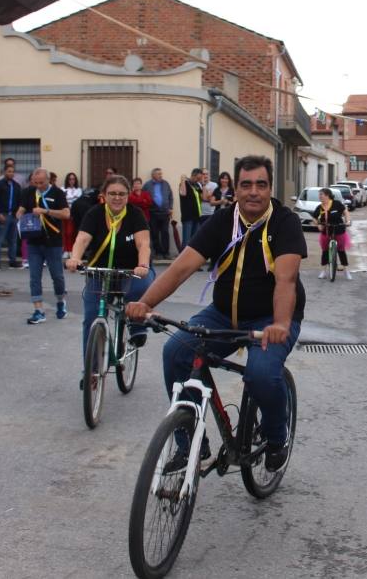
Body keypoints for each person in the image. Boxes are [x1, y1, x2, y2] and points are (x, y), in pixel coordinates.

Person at [127, 155, 307, 473]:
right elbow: (182, 267)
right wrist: (146, 302)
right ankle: (191, 445)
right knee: (176, 352)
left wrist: (280, 323)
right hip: (223, 314)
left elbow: (286, 280)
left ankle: (278, 436)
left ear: (270, 188)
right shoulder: (223, 221)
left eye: (261, 185)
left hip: (271, 319)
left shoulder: (284, 222)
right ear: (234, 188)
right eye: (246, 185)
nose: (253, 192)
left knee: (262, 375)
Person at [66, 175, 154, 358]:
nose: (117, 197)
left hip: (132, 271)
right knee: (91, 318)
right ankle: (91, 372)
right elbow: (82, 239)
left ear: (128, 195)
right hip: (100, 273)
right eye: (112, 193)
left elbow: (143, 244)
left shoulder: (135, 214)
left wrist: (143, 264)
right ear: (104, 195)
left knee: (140, 289)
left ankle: (137, 327)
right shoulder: (95, 213)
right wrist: (75, 258)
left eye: (122, 194)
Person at [16, 168, 70, 325]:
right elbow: (20, 210)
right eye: (35, 182)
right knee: (34, 277)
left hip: (53, 242)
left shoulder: (58, 193)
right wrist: (21, 216)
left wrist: (46, 211)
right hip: (34, 241)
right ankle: (38, 310)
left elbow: (66, 214)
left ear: (48, 180)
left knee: (57, 276)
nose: (38, 185)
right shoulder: (28, 192)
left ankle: (61, 300)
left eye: (41, 182)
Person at [315, 187, 353, 280]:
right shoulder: (320, 207)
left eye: (321, 194)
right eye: (319, 195)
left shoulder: (337, 204)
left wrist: (348, 221)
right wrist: (318, 225)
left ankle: (346, 271)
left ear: (327, 195)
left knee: (341, 250)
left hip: (338, 229)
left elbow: (345, 212)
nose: (319, 196)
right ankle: (323, 271)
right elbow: (314, 217)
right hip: (326, 231)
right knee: (325, 251)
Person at [0, 164, 22, 270]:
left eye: (12, 172)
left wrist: (18, 214)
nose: (11, 173)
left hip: (13, 216)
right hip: (3, 215)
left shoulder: (16, 186)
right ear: (4, 172)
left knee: (13, 240)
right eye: (9, 171)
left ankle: (12, 262)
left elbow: (19, 201)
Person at [143, 168, 174, 260]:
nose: (161, 175)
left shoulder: (166, 183)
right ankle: (158, 253)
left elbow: (170, 196)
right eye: (158, 174)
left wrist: (171, 207)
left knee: (165, 232)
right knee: (155, 233)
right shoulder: (147, 185)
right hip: (153, 213)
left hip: (165, 212)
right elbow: (144, 196)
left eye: (161, 174)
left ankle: (166, 253)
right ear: (153, 175)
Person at [178, 168, 203, 246]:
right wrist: (182, 179)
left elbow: (204, 198)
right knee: (186, 241)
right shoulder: (185, 183)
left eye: (200, 178)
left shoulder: (197, 185)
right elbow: (183, 193)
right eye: (198, 178)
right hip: (188, 217)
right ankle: (183, 258)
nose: (198, 180)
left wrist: (203, 184)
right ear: (193, 175)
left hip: (197, 216)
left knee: (194, 241)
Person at [62, 172, 82, 256]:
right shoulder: (63, 189)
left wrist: (70, 199)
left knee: (71, 232)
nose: (71, 181)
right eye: (70, 179)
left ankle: (71, 249)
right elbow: (63, 201)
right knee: (64, 232)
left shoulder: (79, 190)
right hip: (64, 212)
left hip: (74, 213)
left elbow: (77, 201)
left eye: (73, 179)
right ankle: (65, 250)